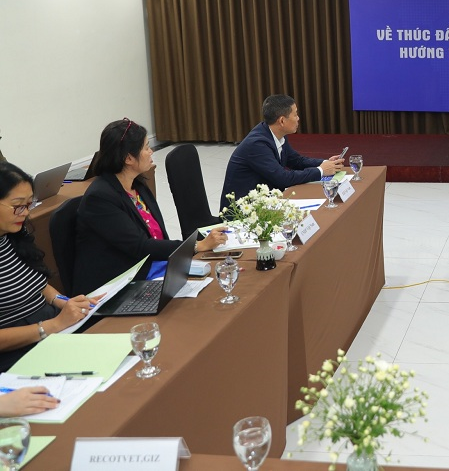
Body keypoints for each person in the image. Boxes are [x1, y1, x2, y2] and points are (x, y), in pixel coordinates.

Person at [74, 119, 227, 296]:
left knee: (217, 274)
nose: (151, 151)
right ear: (128, 158)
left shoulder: (137, 184)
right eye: (146, 147)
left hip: (153, 266)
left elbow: (157, 237)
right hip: (121, 282)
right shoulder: (100, 198)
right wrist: (196, 246)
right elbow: (139, 246)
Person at [0, 162, 101, 372]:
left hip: (50, 325)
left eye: (29, 204)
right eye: (18, 205)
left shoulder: (12, 235)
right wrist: (52, 326)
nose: (25, 213)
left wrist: (64, 301)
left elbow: (36, 282)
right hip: (18, 349)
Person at [220, 95, 344, 207]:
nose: (298, 118)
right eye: (295, 115)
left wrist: (325, 163)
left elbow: (296, 160)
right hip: (244, 211)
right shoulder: (257, 144)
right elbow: (283, 178)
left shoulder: (275, 133)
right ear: (282, 121)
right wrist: (321, 171)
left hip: (266, 202)